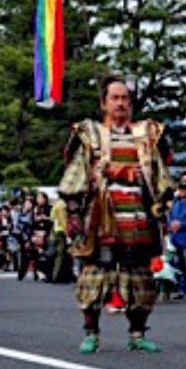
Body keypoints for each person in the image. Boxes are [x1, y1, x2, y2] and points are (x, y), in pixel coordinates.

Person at [59, 74, 174, 354]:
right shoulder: (91, 135)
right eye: (115, 98)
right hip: (102, 217)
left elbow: (161, 179)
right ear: (103, 103)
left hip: (137, 215)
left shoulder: (146, 136)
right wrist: (74, 215)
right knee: (95, 276)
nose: (121, 103)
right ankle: (92, 334)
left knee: (139, 277)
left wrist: (161, 207)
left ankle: (137, 334)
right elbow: (74, 178)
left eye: (125, 99)